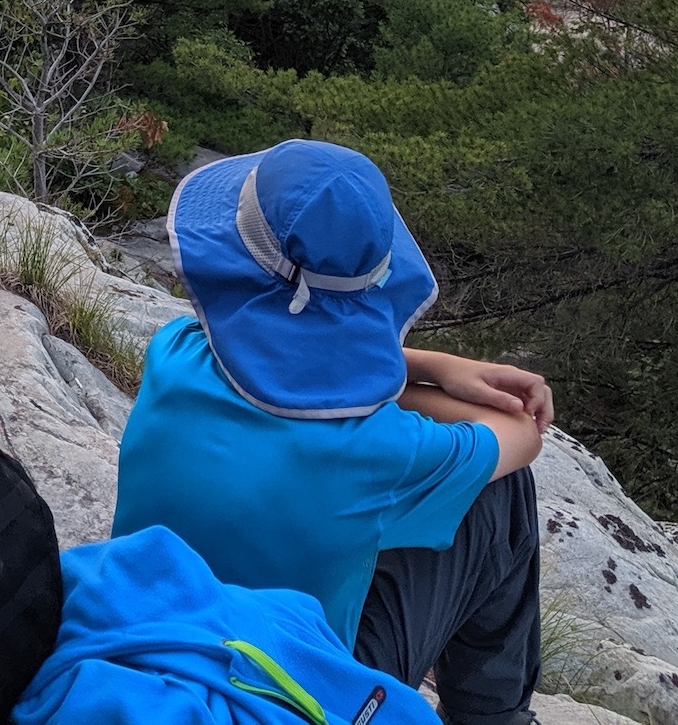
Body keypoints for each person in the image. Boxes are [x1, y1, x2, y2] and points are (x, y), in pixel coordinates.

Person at [111, 140, 550, 723]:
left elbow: (280, 375)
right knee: (499, 488)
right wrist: (437, 381)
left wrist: (434, 367)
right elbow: (520, 434)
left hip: (146, 645)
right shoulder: (380, 452)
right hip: (288, 692)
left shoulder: (174, 354)